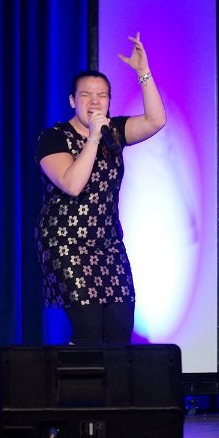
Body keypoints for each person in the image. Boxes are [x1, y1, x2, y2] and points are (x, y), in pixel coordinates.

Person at [34, 32, 166, 345]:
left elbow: (155, 121)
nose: (95, 101)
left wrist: (143, 72)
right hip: (66, 243)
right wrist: (93, 137)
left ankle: (111, 381)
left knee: (120, 329)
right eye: (86, 95)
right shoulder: (53, 138)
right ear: (72, 100)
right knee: (90, 331)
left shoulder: (114, 130)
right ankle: (76, 378)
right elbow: (72, 184)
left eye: (102, 95)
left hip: (107, 244)